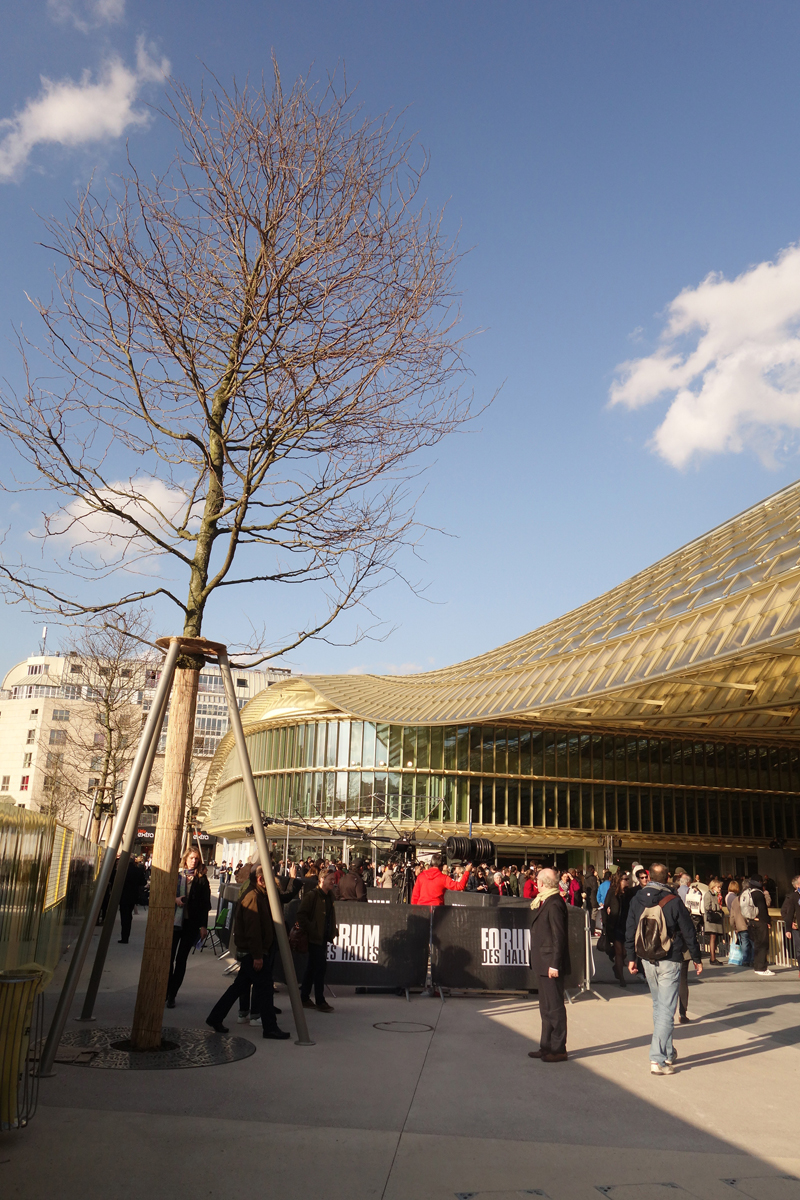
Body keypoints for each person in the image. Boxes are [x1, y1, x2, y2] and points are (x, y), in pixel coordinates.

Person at [625, 862, 702, 1075]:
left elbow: (630, 929)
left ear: (648, 876)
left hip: (646, 958)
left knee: (659, 1007)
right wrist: (696, 958)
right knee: (667, 1010)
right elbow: (688, 932)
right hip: (671, 957)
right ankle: (657, 1059)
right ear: (668, 878)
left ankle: (668, 1052)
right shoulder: (674, 901)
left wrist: (631, 957)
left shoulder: (637, 899)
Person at [206, 863, 290, 1039]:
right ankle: (270, 1027)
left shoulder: (257, 895)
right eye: (269, 879)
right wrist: (258, 956)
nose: (273, 882)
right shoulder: (253, 897)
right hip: (253, 952)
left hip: (252, 951)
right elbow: (253, 930)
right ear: (260, 880)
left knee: (240, 986)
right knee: (265, 989)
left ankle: (215, 1017)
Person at [527, 867, 570, 1063]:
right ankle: (546, 1046)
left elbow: (559, 937)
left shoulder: (554, 904)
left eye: (537, 880)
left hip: (550, 963)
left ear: (542, 883)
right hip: (542, 962)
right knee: (545, 1007)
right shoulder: (545, 901)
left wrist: (555, 964)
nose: (536, 882)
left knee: (554, 1008)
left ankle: (558, 1048)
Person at [166, 849, 211, 1008]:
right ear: (185, 859)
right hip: (174, 923)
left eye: (197, 859)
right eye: (192, 858)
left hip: (190, 924)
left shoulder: (201, 879)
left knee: (181, 960)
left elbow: (205, 904)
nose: (194, 861)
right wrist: (175, 899)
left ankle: (172, 994)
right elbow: (164, 894)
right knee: (168, 959)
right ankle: (166, 990)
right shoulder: (176, 876)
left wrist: (203, 926)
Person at [298, 869, 338, 1012]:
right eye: (330, 879)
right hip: (314, 938)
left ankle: (303, 997)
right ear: (322, 880)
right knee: (320, 968)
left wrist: (333, 930)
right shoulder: (312, 896)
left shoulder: (330, 897)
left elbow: (328, 917)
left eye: (334, 879)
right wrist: (313, 929)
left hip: (323, 938)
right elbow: (301, 915)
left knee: (312, 968)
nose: (333, 882)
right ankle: (320, 1000)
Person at [602, 869, 633, 987]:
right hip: (615, 926)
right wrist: (605, 924)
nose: (627, 881)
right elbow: (605, 907)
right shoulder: (612, 892)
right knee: (619, 952)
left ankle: (616, 967)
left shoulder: (629, 893)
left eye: (628, 879)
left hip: (627, 926)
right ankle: (621, 978)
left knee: (625, 952)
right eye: (625, 879)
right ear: (619, 881)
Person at [742, 875, 773, 976]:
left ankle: (757, 966)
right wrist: (768, 922)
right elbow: (763, 909)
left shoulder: (748, 893)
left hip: (751, 921)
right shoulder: (758, 894)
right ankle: (762, 968)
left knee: (757, 945)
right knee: (763, 945)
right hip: (760, 922)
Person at [118, 854, 146, 943]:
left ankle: (124, 937)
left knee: (124, 916)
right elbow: (143, 882)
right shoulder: (138, 870)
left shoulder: (121, 871)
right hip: (133, 895)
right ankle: (126, 936)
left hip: (123, 895)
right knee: (128, 916)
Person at [726, 880, 752, 967]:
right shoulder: (748, 899)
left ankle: (745, 960)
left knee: (744, 943)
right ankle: (751, 959)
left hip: (740, 925)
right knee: (751, 942)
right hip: (749, 924)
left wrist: (734, 926)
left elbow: (732, 916)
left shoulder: (735, 900)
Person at [780, 875, 800, 978]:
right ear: (797, 885)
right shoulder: (792, 897)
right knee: (799, 949)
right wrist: (789, 925)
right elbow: (787, 912)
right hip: (797, 927)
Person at [703, 880, 725, 964]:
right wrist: (717, 907)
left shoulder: (718, 895)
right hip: (712, 919)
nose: (720, 888)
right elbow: (707, 907)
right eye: (718, 887)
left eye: (720, 887)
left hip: (716, 918)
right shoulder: (708, 894)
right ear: (713, 887)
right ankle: (712, 958)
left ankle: (713, 957)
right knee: (713, 937)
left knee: (715, 938)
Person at [583, 865, 599, 934]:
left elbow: (584, 888)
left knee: (589, 914)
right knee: (594, 915)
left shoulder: (585, 878)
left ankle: (588, 929)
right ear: (592, 870)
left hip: (588, 898)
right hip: (594, 898)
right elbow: (595, 888)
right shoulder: (593, 878)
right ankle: (592, 930)